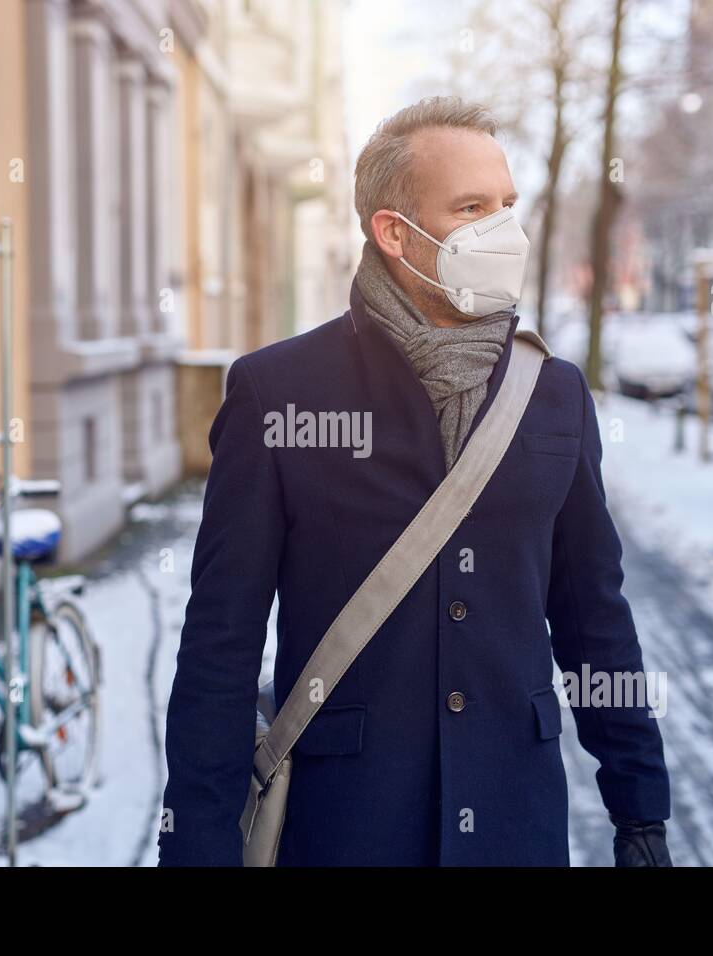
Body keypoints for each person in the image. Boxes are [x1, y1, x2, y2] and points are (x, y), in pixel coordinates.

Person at [158, 95, 672, 866]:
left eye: (506, 204)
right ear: (394, 232)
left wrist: (641, 810)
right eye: (471, 208)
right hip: (344, 829)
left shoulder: (554, 393)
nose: (503, 230)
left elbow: (595, 615)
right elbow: (219, 646)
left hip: (514, 824)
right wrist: (196, 846)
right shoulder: (278, 393)